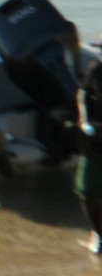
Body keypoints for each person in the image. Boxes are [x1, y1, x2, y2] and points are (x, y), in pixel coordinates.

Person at [76, 55, 102, 254]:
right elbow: (82, 94)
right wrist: (84, 121)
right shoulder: (96, 68)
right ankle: (98, 232)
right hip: (96, 138)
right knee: (87, 191)